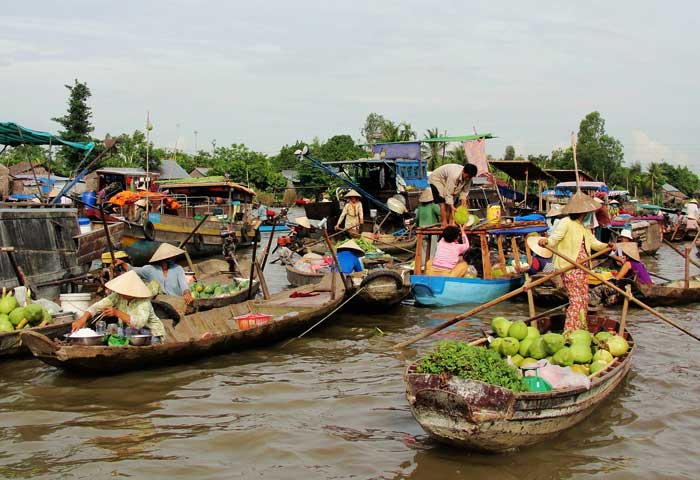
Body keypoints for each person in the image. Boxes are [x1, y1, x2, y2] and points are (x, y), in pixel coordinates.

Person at [539, 192, 610, 331]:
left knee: (584, 300)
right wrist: (545, 241)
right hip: (570, 267)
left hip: (583, 269)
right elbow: (554, 239)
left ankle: (581, 329)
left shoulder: (584, 227)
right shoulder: (566, 222)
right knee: (576, 301)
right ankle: (570, 332)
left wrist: (607, 246)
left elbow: (594, 244)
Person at [71, 270, 166, 341]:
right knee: (115, 332)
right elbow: (97, 306)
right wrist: (82, 319)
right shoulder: (118, 296)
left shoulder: (144, 302)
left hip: (150, 333)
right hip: (129, 331)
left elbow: (139, 323)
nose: (120, 293)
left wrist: (117, 313)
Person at [114, 243, 193, 304]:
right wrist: (123, 263)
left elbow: (184, 285)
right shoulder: (150, 270)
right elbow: (133, 270)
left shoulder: (177, 269)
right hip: (159, 302)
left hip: (176, 301)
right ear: (162, 259)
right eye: (169, 258)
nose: (172, 259)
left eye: (172, 257)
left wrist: (187, 293)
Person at [428, 163, 477, 227]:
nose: (468, 179)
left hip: (446, 180)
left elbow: (465, 191)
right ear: (463, 171)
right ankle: (444, 223)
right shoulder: (454, 175)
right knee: (442, 201)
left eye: (470, 177)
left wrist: (463, 202)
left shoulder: (469, 178)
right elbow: (448, 193)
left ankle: (451, 222)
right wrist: (451, 205)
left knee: (453, 203)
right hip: (437, 179)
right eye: (467, 176)